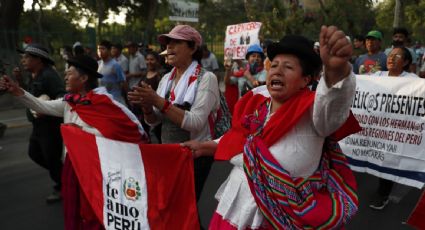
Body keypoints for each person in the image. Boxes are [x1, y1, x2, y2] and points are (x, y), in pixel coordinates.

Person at [183, 25, 360, 229]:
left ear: (306, 80)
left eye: (288, 67)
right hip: (238, 206)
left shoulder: (314, 109)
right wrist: (206, 146)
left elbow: (333, 105)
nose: (277, 70)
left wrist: (337, 72)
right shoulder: (256, 103)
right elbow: (239, 139)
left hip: (284, 215)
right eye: (274, 65)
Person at [0, 55, 148, 229]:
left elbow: (136, 131)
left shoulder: (106, 104)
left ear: (84, 78)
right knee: (75, 212)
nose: (65, 77)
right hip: (74, 168)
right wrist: (17, 91)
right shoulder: (70, 102)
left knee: (96, 214)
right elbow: (42, 106)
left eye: (69, 73)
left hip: (99, 172)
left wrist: (81, 133)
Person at [127, 24, 220, 201]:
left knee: (188, 209)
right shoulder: (166, 79)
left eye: (176, 42)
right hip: (169, 155)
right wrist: (147, 107)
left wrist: (157, 101)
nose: (168, 47)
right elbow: (154, 121)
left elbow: (196, 122)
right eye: (167, 43)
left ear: (192, 48)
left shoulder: (207, 78)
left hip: (195, 158)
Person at [369, 47, 419, 211]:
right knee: (375, 157)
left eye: (397, 56)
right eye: (390, 55)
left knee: (388, 159)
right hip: (376, 126)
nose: (391, 58)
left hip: (397, 129)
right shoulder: (378, 76)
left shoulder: (412, 80)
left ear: (405, 62)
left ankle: (382, 195)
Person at [18, 44, 66, 203]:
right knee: (34, 153)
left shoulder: (49, 75)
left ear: (38, 59)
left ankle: (62, 186)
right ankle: (66, 177)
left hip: (50, 125)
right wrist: (18, 81)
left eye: (26, 57)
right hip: (38, 125)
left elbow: (62, 96)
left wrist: (46, 106)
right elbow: (29, 94)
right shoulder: (33, 75)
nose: (23, 60)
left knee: (51, 157)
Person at [97, 40, 127, 105]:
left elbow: (123, 82)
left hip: (114, 100)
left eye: (103, 49)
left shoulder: (115, 65)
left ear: (109, 50)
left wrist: (127, 97)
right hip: (103, 100)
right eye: (99, 49)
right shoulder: (99, 64)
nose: (100, 51)